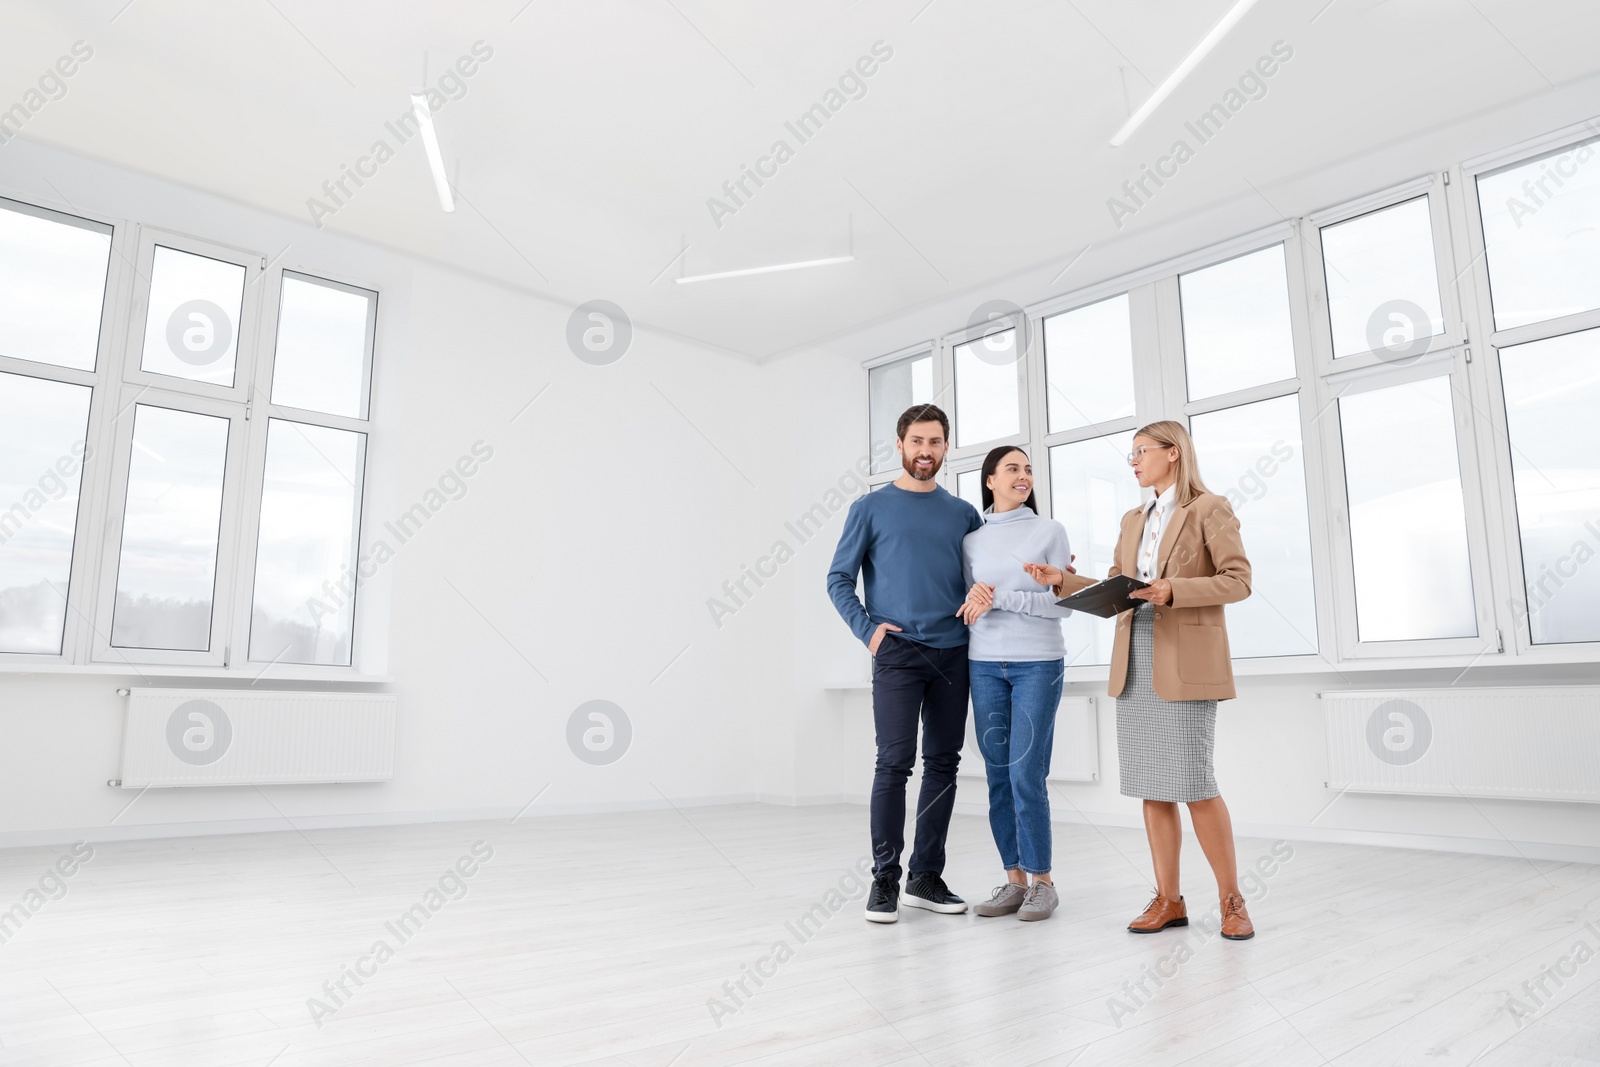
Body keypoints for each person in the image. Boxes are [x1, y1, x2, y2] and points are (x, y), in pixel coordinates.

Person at [1024, 420, 1256, 940]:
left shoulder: (1208, 508)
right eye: (1130, 455)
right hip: (1135, 656)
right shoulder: (1133, 519)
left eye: (1141, 452)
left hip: (1186, 658)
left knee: (1195, 782)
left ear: (1172, 453)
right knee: (1154, 784)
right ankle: (1169, 900)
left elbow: (1238, 581)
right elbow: (1115, 585)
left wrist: (1173, 590)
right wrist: (1064, 580)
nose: (1133, 461)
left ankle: (1232, 901)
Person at [828, 404, 982, 923]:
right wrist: (869, 631)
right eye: (917, 441)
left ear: (945, 447)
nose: (925, 451)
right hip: (896, 653)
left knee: (943, 763)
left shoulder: (963, 514)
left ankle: (925, 877)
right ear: (899, 444)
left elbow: (985, 577)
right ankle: (885, 879)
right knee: (894, 763)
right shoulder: (869, 508)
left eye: (935, 442)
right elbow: (838, 579)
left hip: (953, 653)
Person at [956, 446, 1074, 922]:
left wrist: (1001, 596)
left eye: (1027, 469)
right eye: (1013, 469)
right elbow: (968, 603)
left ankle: (1043, 882)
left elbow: (1065, 604)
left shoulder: (1050, 531)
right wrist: (976, 598)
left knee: (1027, 773)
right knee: (997, 775)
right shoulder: (971, 541)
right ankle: (1013, 881)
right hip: (983, 664)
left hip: (1037, 664)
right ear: (990, 480)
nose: (1023, 475)